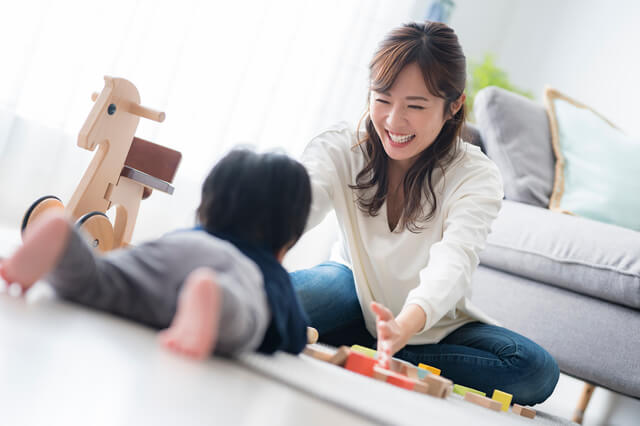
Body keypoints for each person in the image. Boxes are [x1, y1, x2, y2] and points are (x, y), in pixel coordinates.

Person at [291, 21, 559, 405]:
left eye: (415, 106)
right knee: (273, 293)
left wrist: (403, 327)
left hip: (434, 325)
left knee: (536, 371)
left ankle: (365, 347)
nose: (393, 121)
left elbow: (453, 262)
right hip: (351, 290)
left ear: (453, 106)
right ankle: (368, 345)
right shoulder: (341, 146)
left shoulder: (475, 175)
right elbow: (295, 207)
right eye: (382, 99)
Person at [0, 149, 311, 359]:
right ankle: (211, 297)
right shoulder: (266, 271)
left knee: (99, 278)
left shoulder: (186, 239)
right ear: (288, 236)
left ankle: (62, 233)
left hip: (163, 258)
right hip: (220, 277)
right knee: (241, 319)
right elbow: (294, 335)